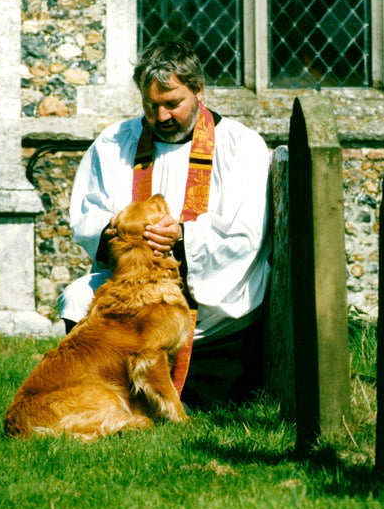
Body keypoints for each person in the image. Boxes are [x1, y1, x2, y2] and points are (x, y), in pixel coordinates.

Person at [59, 38, 271, 408]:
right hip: (137, 287)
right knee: (78, 296)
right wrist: (117, 229)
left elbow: (245, 234)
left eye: (173, 103)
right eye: (150, 105)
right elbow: (86, 215)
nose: (161, 117)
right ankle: (95, 395)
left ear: (199, 91)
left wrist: (182, 238)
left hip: (212, 301)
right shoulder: (114, 143)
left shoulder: (241, 146)